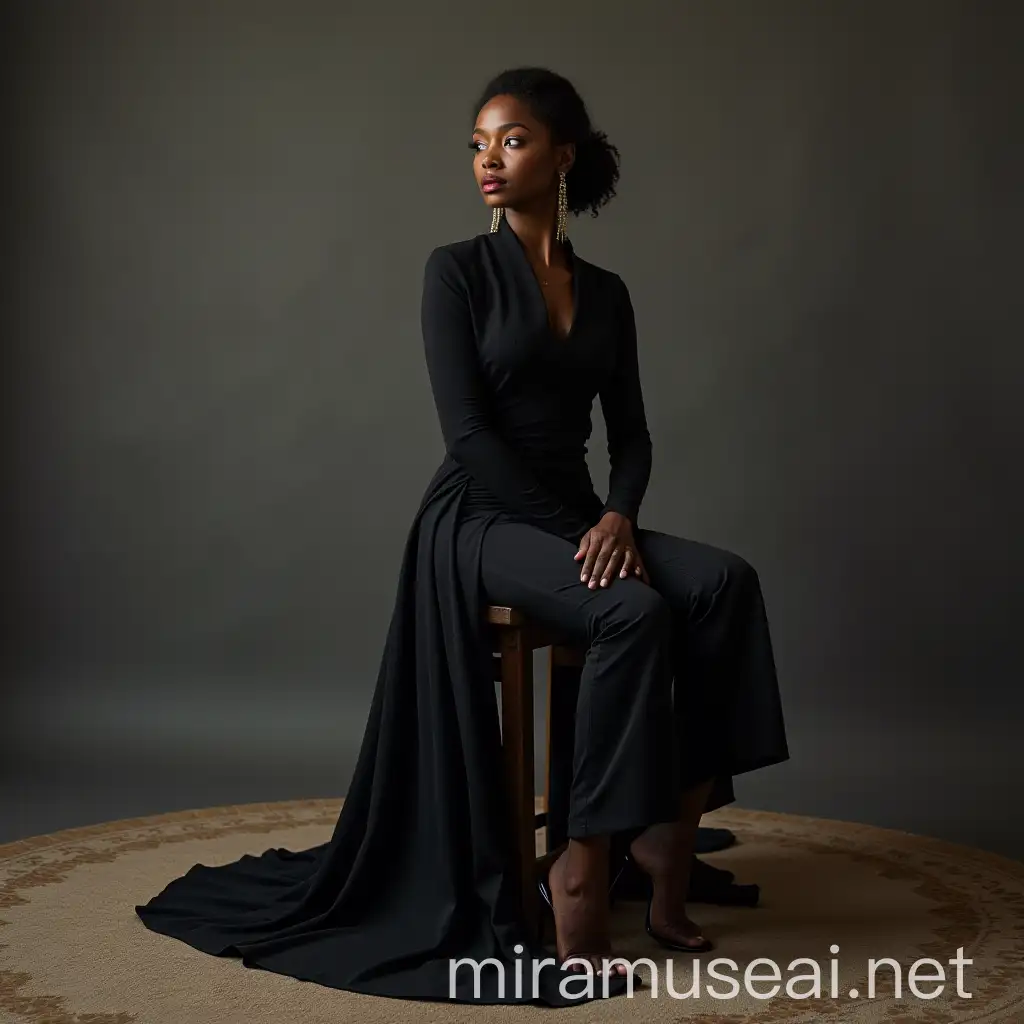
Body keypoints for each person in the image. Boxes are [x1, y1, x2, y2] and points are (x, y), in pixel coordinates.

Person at [135, 67, 789, 1007]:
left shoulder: (606, 292)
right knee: (632, 610)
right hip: (480, 520)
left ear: (561, 155)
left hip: (577, 517)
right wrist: (588, 534)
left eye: (512, 140)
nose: (488, 159)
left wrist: (617, 518)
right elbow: (471, 439)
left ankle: (666, 827)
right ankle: (580, 864)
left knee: (727, 582)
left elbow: (634, 435)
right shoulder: (456, 271)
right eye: (478, 144)